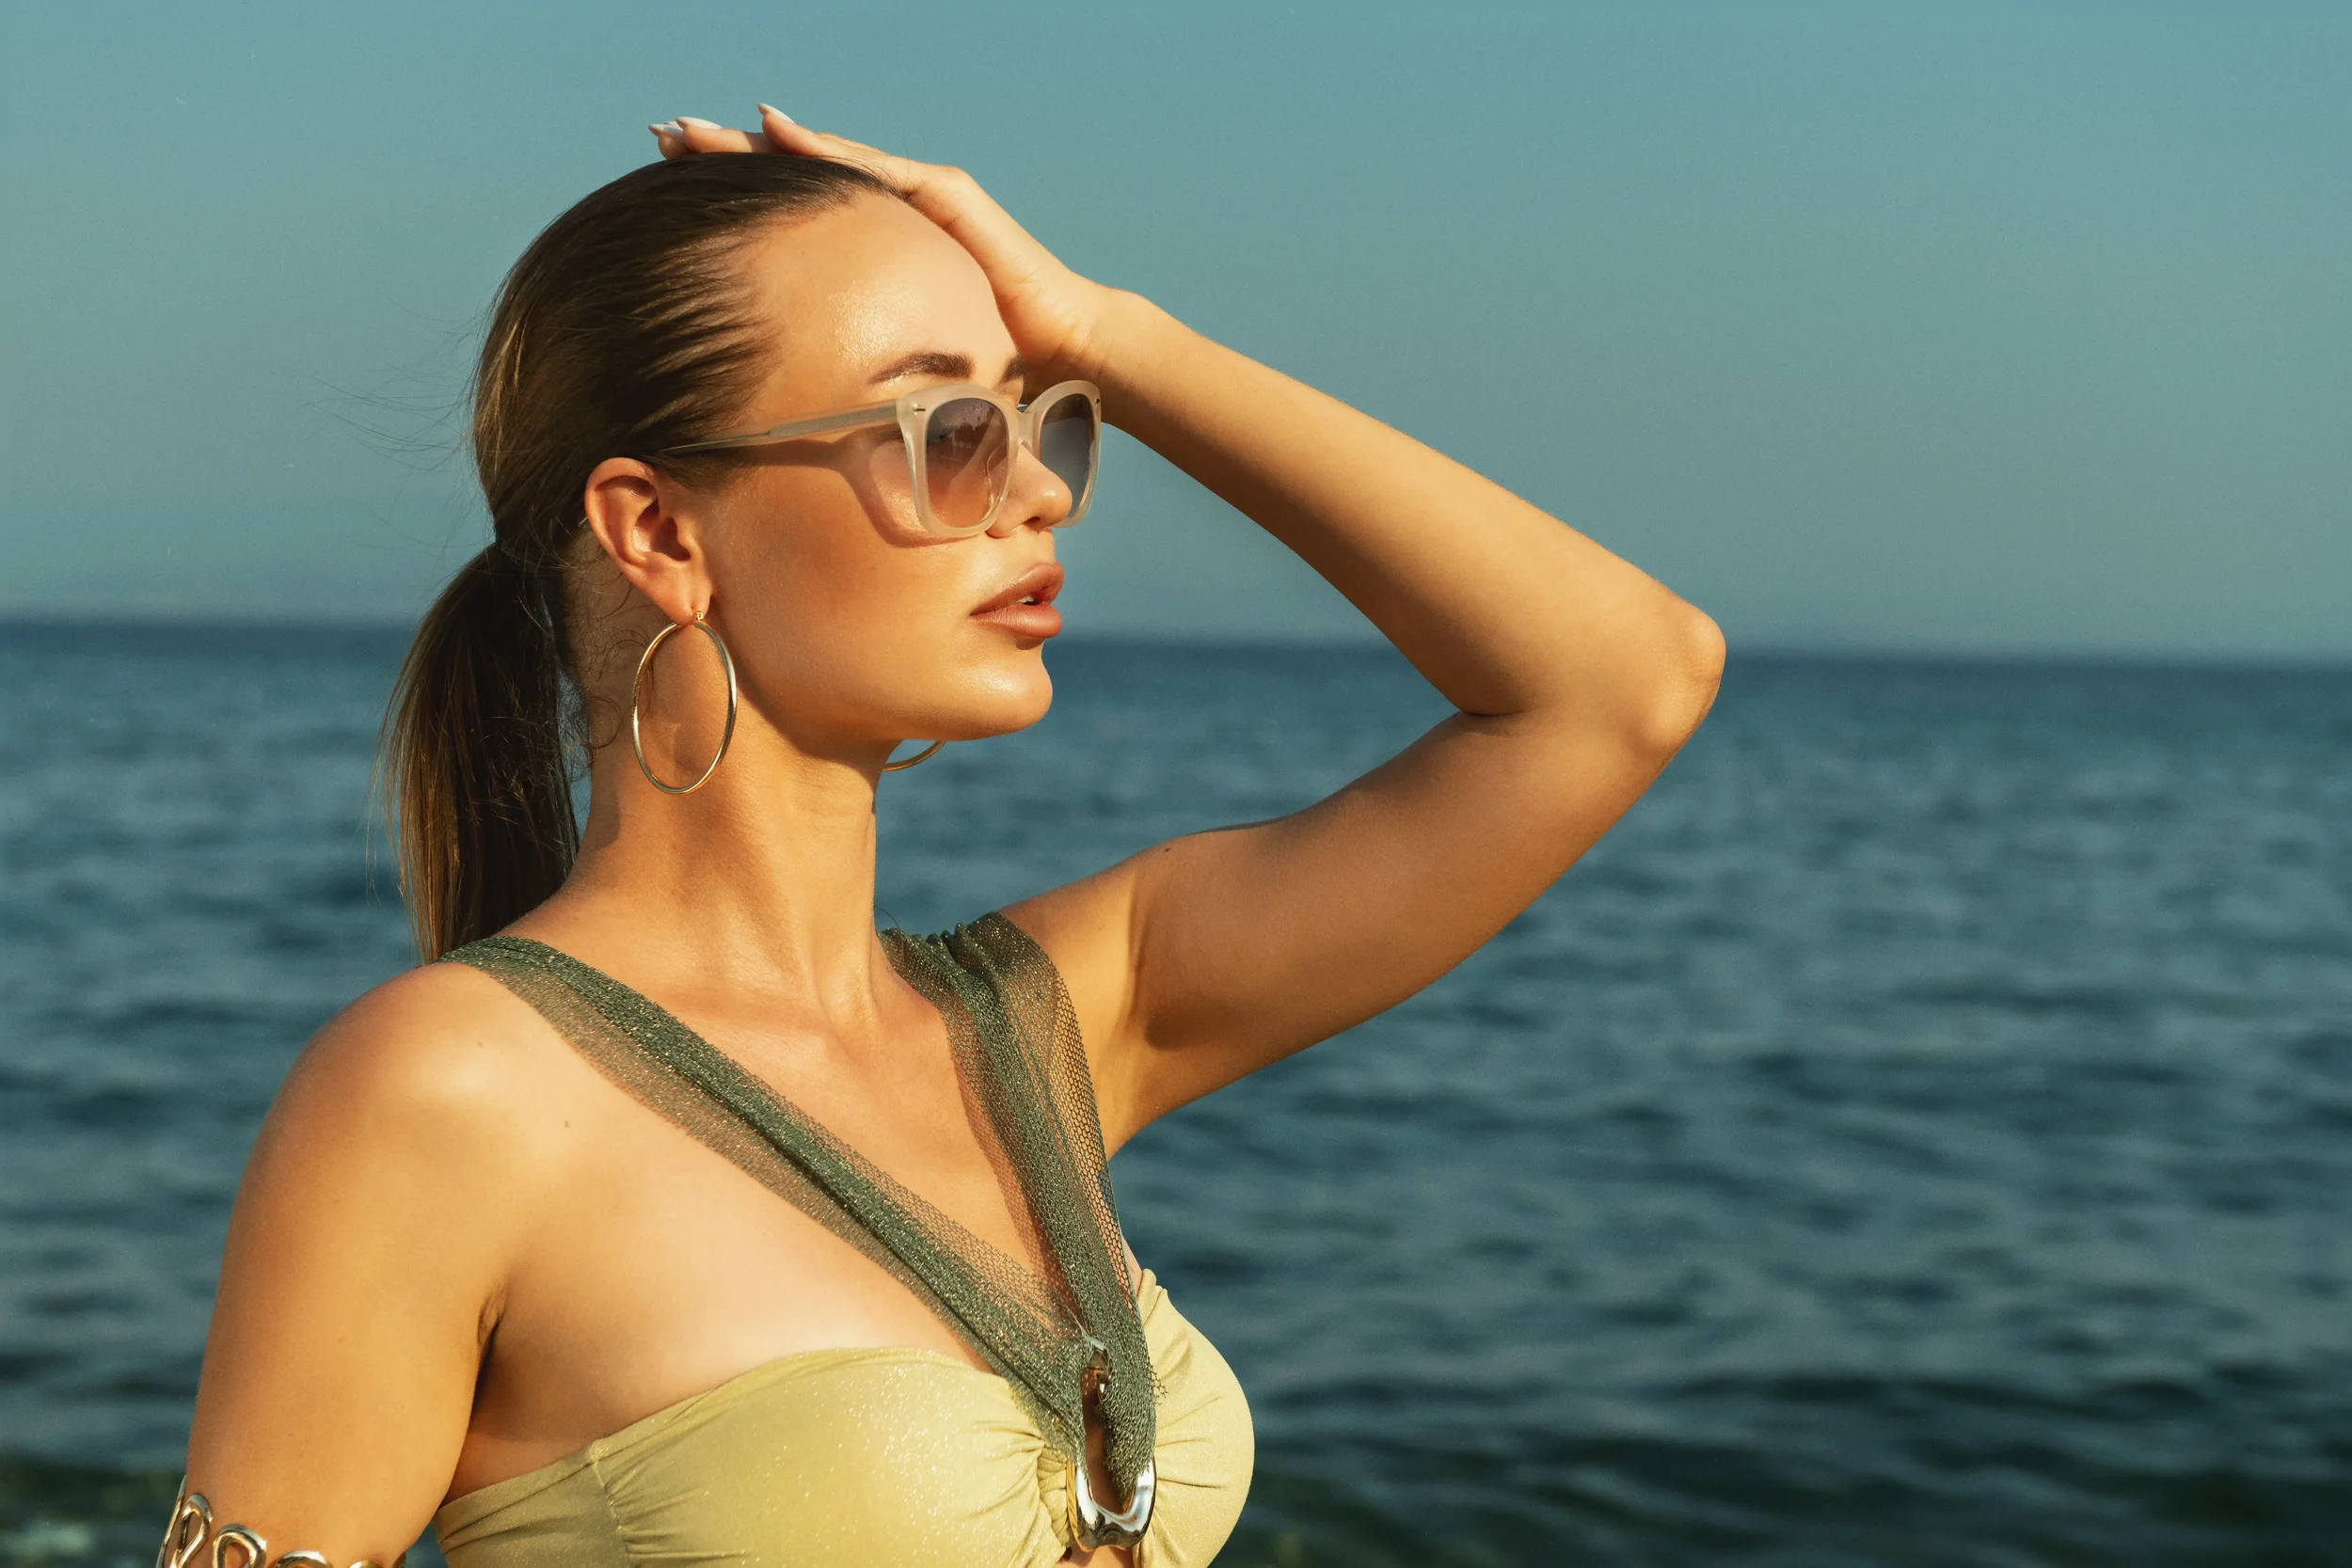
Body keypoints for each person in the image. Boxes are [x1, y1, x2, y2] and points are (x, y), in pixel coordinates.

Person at [163, 106, 1724, 1568]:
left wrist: (1111, 331)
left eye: (1042, 415)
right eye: (946, 426)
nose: (1039, 489)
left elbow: (1620, 684)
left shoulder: (1053, 1022)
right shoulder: (447, 1092)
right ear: (660, 532)